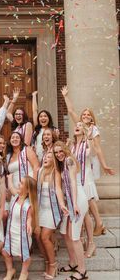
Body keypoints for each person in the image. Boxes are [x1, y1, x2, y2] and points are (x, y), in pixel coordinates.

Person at [61, 86, 114, 235]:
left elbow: (97, 149)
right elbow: (71, 111)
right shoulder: (80, 126)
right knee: (85, 194)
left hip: (88, 161)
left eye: (87, 115)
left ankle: (98, 222)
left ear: (91, 118)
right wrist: (65, 96)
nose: (84, 116)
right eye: (83, 114)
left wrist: (104, 165)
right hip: (78, 158)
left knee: (88, 194)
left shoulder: (93, 129)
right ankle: (94, 222)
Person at [53, 141, 88, 280]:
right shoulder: (61, 165)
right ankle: (73, 263)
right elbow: (59, 187)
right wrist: (64, 204)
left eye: (60, 151)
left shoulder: (69, 160)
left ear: (65, 149)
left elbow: (73, 182)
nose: (59, 154)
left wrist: (74, 204)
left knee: (75, 238)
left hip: (78, 200)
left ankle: (82, 271)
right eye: (56, 153)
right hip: (71, 201)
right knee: (66, 234)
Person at [2, 174, 38, 280]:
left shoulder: (28, 205)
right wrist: (9, 178)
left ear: (27, 190)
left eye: (22, 183)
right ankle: (10, 270)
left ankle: (24, 273)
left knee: (24, 256)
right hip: (11, 232)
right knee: (5, 252)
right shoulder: (16, 196)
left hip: (22, 234)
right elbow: (12, 188)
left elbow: (29, 218)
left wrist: (29, 225)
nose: (19, 184)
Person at [71, 122, 98, 258]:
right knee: (82, 212)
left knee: (86, 213)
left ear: (84, 130)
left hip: (85, 180)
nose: (77, 126)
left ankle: (91, 243)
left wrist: (89, 138)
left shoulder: (86, 145)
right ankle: (85, 241)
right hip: (75, 182)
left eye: (80, 125)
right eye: (76, 125)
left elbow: (93, 153)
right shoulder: (72, 146)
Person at [37, 152, 61, 279]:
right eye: (45, 157)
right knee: (38, 237)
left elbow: (58, 191)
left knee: (45, 237)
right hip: (41, 210)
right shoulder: (40, 171)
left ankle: (53, 264)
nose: (46, 158)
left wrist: (63, 205)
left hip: (52, 210)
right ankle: (47, 263)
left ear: (54, 161)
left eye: (49, 157)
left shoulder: (55, 173)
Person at [32, 91, 59, 162]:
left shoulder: (53, 130)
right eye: (40, 116)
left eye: (45, 116)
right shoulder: (37, 130)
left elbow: (56, 144)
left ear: (49, 118)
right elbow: (35, 111)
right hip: (37, 158)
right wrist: (34, 96)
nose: (43, 118)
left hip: (49, 158)